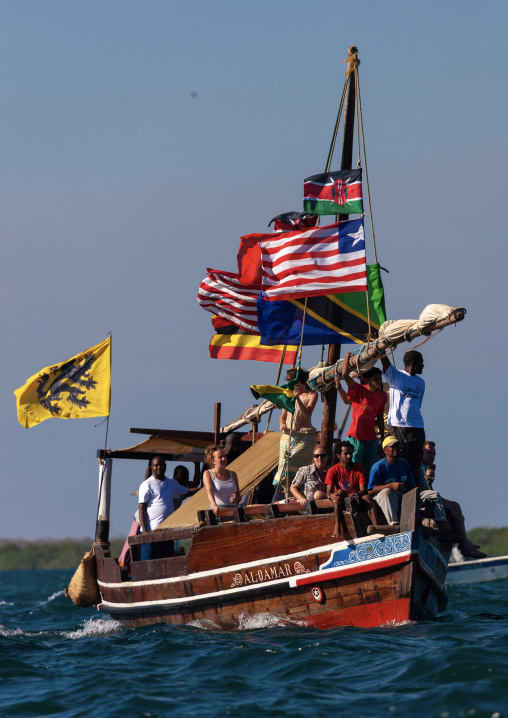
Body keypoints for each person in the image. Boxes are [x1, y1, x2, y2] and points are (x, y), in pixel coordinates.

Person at [421, 440, 486, 559]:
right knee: (455, 514)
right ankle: (465, 545)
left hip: (429, 502)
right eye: (428, 453)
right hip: (423, 506)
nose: (432, 456)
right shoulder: (418, 469)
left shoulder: (424, 469)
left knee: (456, 506)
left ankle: (465, 542)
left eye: (434, 454)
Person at [335, 351, 386, 474]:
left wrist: (383, 439)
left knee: (370, 470)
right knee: (353, 469)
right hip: (356, 438)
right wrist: (347, 356)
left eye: (380, 378)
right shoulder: (359, 390)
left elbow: (379, 417)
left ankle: (367, 492)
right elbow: (345, 375)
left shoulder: (382, 396)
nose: (379, 381)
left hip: (371, 439)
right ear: (367, 380)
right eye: (375, 379)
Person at [380, 350, 425, 481]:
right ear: (413, 363)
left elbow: (417, 404)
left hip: (417, 427)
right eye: (421, 362)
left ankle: (416, 491)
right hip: (400, 427)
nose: (423, 365)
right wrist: (378, 343)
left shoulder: (421, 383)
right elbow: (383, 358)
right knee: (400, 460)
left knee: (415, 464)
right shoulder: (396, 376)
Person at [138, 456, 194, 560]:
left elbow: (188, 492)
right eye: (156, 465)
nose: (159, 467)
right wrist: (145, 532)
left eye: (161, 465)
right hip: (151, 531)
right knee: (148, 564)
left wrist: (206, 487)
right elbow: (142, 508)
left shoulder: (172, 483)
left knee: (167, 562)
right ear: (152, 467)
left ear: (165, 466)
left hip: (167, 532)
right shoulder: (146, 484)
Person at [274, 368, 318, 498]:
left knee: (303, 470)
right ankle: (288, 498)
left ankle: (302, 497)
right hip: (288, 436)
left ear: (298, 381)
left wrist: (297, 398)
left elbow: (307, 414)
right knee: (286, 469)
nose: (288, 383)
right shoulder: (288, 395)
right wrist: (282, 424)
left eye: (290, 380)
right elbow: (283, 416)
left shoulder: (312, 395)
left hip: (305, 437)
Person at [326, 441, 381, 537]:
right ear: (338, 455)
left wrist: (357, 494)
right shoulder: (332, 470)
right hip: (341, 498)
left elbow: (363, 490)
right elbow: (328, 491)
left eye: (351, 453)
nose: (349, 456)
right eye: (346, 454)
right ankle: (337, 527)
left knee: (367, 498)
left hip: (356, 497)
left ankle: (377, 528)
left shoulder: (360, 469)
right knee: (339, 493)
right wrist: (332, 496)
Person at [368, 436, 417, 525]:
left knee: (431, 494)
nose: (396, 449)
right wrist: (391, 486)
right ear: (385, 450)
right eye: (392, 447)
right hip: (382, 498)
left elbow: (412, 485)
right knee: (387, 492)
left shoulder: (404, 463)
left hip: (401, 496)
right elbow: (370, 490)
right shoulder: (378, 467)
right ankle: (394, 523)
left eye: (397, 446)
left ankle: (440, 523)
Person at [203, 445, 241, 516]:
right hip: (218, 511)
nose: (224, 459)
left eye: (225, 456)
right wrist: (214, 505)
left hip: (233, 511)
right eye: (220, 457)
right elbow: (209, 491)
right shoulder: (208, 474)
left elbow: (239, 496)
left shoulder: (233, 474)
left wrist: (236, 499)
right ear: (213, 461)